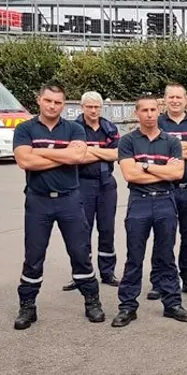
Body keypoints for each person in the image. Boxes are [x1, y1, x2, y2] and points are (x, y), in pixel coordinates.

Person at [12, 83, 106, 329]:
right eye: (48, 101)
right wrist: (61, 155)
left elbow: (77, 157)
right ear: (39, 100)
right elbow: (24, 161)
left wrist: (40, 151)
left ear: (64, 104)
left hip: (70, 200)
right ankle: (27, 307)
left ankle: (92, 302)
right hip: (38, 200)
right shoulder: (25, 129)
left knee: (79, 252)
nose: (53, 106)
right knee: (33, 256)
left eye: (58, 102)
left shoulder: (74, 129)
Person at [111, 96, 187, 327]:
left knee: (166, 255)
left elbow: (177, 174)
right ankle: (127, 306)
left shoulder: (171, 142)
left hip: (166, 201)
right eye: (144, 110)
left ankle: (172, 304)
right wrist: (162, 169)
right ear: (137, 114)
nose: (149, 114)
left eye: (153, 110)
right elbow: (130, 175)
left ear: (159, 112)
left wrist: (145, 165)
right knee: (134, 256)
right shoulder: (127, 141)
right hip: (140, 202)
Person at [149, 82, 187, 300]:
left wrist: (172, 148)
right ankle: (159, 281)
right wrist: (185, 147)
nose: (175, 101)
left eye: (179, 97)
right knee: (163, 237)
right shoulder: (157, 122)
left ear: (186, 100)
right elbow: (154, 152)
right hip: (164, 189)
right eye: (171, 97)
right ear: (164, 100)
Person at [62, 91, 120, 291]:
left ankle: (107, 272)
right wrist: (100, 152)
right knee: (81, 230)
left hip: (106, 184)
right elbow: (76, 157)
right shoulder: (73, 128)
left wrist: (90, 150)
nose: (93, 110)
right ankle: (80, 274)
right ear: (82, 107)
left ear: (101, 108)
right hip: (82, 184)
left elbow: (116, 154)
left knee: (107, 229)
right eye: (89, 106)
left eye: (96, 107)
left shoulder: (109, 128)